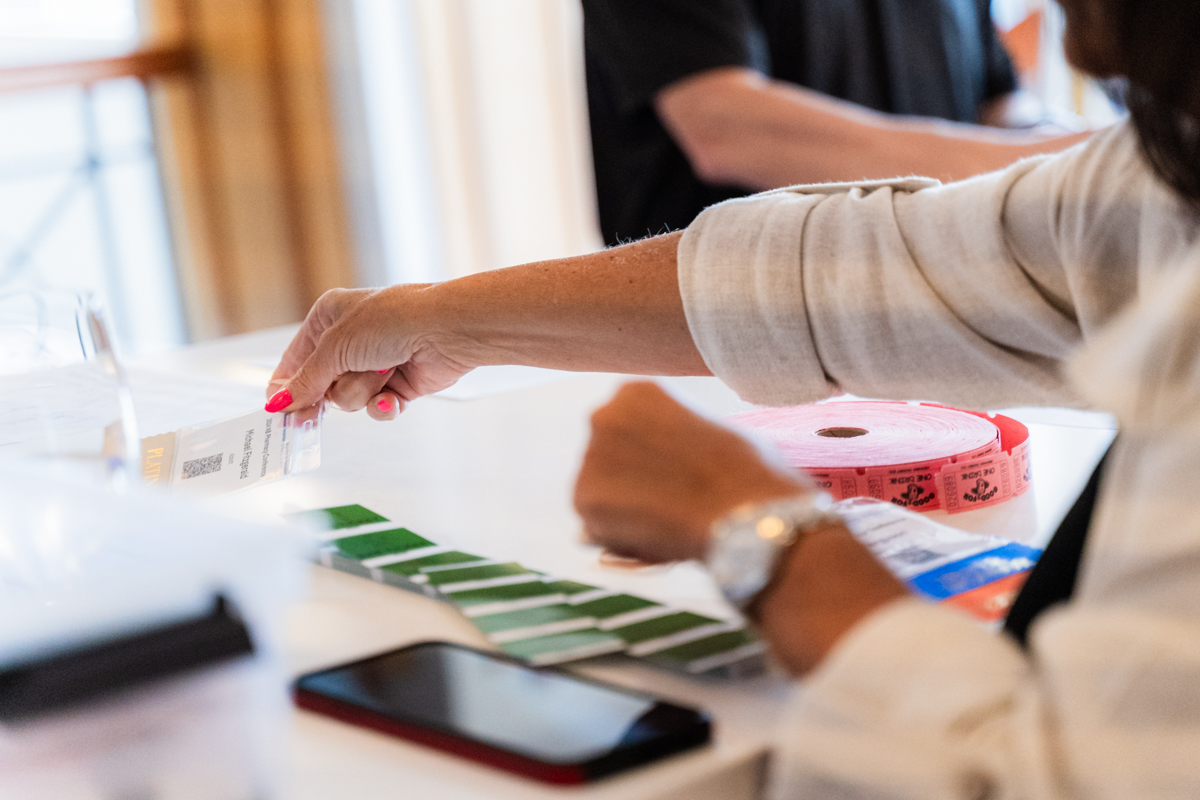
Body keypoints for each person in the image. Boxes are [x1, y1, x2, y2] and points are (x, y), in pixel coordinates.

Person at [266, 0, 1200, 794]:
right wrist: (448, 319)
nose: (1080, 52)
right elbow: (878, 264)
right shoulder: (1170, 168)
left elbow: (1054, 779)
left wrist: (760, 533)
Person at [582, 0, 1092, 245]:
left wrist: (1072, 139)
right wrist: (1081, 160)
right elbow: (725, 126)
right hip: (729, 348)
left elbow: (996, 105)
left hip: (935, 325)